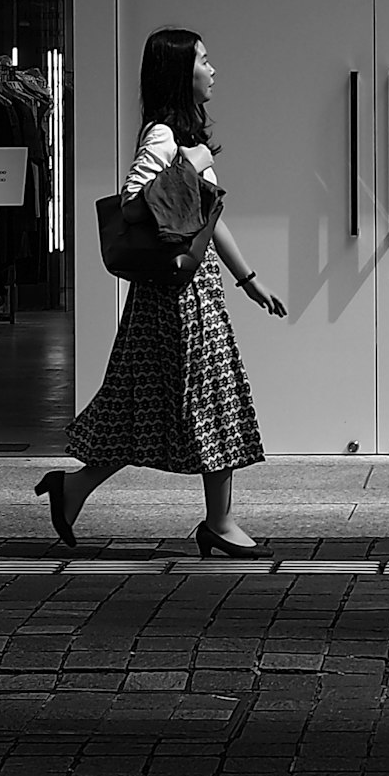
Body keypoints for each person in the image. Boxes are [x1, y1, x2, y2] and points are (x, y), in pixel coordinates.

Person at [40, 27, 288, 557]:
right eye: (203, 60)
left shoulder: (184, 139)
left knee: (157, 404)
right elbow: (133, 204)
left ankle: (78, 489)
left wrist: (248, 280)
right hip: (172, 300)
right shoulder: (162, 137)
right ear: (180, 73)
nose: (213, 69)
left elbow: (208, 218)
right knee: (196, 402)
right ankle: (216, 522)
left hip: (192, 293)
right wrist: (187, 165)